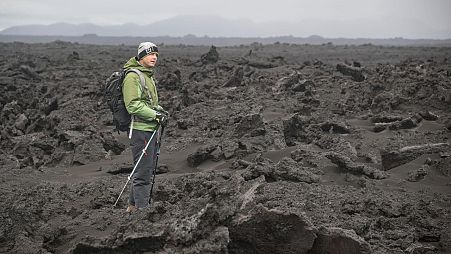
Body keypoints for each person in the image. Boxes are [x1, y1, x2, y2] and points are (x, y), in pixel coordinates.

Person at [122, 42, 168, 212]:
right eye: (150, 54)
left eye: (156, 54)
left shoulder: (147, 75)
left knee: (143, 169)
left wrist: (160, 111)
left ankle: (132, 208)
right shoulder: (133, 77)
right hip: (140, 130)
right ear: (141, 56)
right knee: (143, 173)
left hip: (149, 129)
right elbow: (133, 105)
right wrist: (155, 116)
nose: (154, 57)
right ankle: (143, 212)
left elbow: (147, 103)